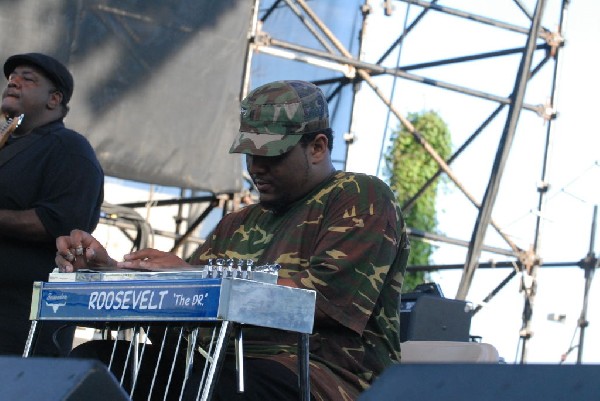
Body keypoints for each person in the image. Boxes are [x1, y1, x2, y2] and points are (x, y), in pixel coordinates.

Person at [55, 80, 409, 400]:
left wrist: (192, 278)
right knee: (93, 364)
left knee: (219, 389)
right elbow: (187, 303)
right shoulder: (238, 222)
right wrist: (109, 271)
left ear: (317, 147)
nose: (256, 167)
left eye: (272, 154)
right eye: (250, 154)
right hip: (222, 365)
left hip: (320, 377)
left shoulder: (360, 196)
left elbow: (320, 302)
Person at [0, 52, 104, 356]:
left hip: (20, 319)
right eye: (10, 78)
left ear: (54, 99)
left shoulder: (70, 149)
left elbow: (63, 222)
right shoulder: (8, 145)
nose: (13, 83)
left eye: (27, 79)